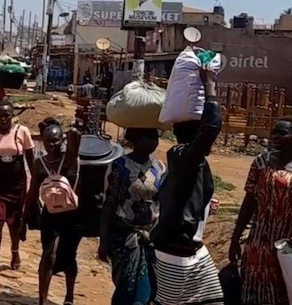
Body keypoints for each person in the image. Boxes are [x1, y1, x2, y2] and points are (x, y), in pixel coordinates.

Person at [148, 66, 225, 305]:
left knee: (213, 299)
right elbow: (212, 127)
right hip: (175, 255)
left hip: (194, 251)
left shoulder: (185, 160)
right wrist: (209, 84)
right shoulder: (185, 157)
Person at [229, 117, 292, 305]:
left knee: (289, 295)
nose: (274, 136)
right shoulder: (261, 163)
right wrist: (235, 238)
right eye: (274, 132)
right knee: (255, 296)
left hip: (291, 247)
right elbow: (249, 203)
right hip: (260, 243)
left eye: (282, 133)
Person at [98, 128, 164, 305]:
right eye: (147, 137)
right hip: (124, 239)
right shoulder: (120, 165)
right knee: (126, 289)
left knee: (147, 291)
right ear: (135, 139)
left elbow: (161, 203)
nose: (152, 142)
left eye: (155, 137)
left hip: (149, 240)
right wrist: (103, 240)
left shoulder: (159, 168)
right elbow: (109, 203)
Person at [21, 119, 82, 305]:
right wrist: (23, 220)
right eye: (48, 141)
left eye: (56, 140)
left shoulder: (70, 157)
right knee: (49, 255)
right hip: (50, 215)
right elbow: (32, 193)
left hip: (72, 215)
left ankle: (69, 296)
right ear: (43, 141)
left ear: (62, 140)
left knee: (70, 255)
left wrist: (73, 128)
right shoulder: (39, 164)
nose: (52, 145)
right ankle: (42, 299)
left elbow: (76, 137)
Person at [0, 100, 35, 278]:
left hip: (17, 183)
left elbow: (31, 160)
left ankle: (14, 250)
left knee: (14, 222)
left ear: (12, 115)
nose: (4, 119)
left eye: (7, 115)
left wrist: (35, 184)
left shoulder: (22, 132)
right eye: (0, 115)